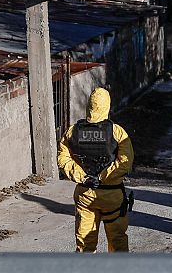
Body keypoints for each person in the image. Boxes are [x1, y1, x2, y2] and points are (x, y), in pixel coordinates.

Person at [57, 87, 134, 252]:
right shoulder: (117, 132)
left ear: (89, 106)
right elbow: (124, 163)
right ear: (107, 106)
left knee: (85, 242)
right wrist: (103, 177)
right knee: (118, 240)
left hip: (85, 194)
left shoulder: (72, 132)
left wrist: (83, 177)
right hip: (112, 195)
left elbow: (63, 160)